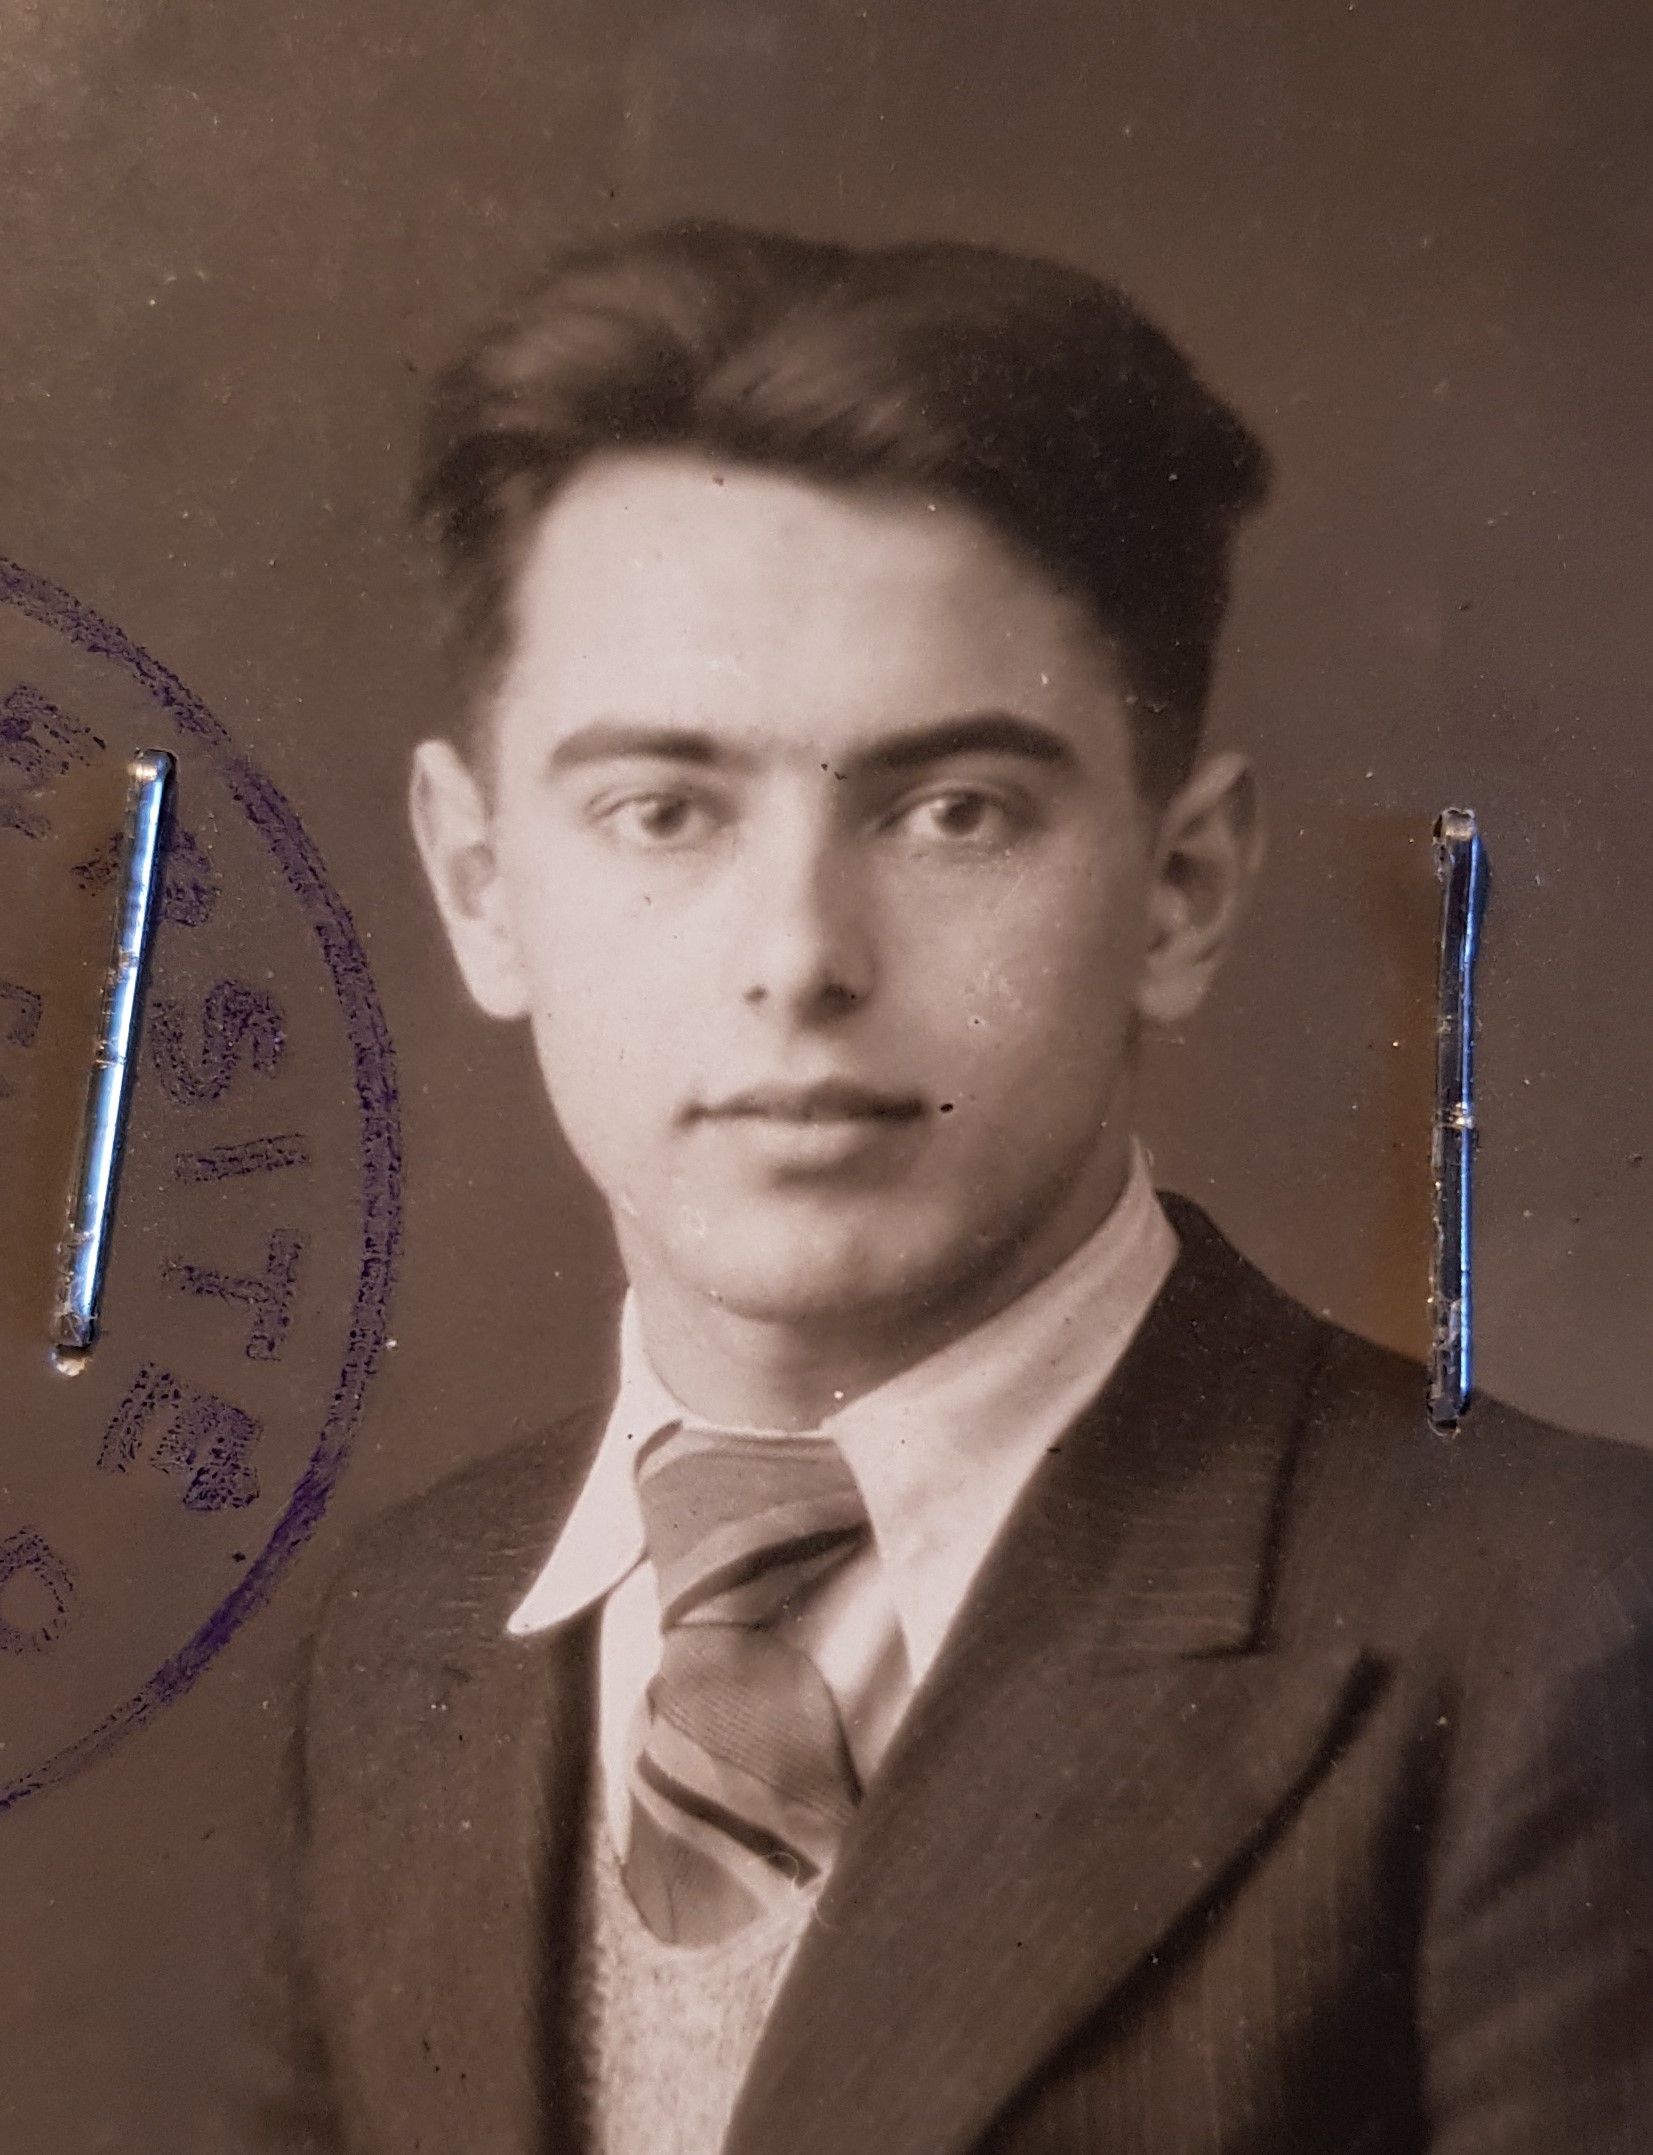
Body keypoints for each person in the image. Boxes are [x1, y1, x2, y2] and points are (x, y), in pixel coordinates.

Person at [229, 222, 1653, 2154]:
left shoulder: (1558, 1626)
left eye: (952, 811)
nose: (797, 956)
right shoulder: (401, 1635)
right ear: (481, 886)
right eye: (662, 810)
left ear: (1180, 891)